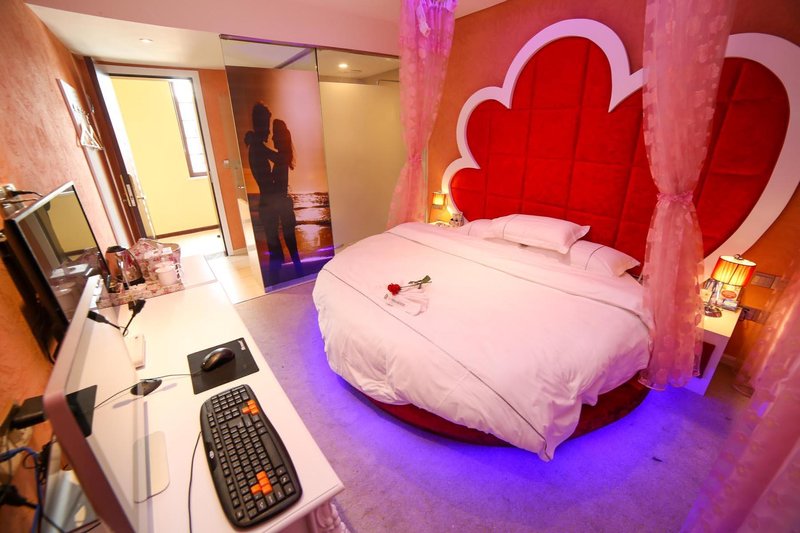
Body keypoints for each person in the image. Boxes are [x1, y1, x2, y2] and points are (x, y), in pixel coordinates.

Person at [262, 119, 303, 280]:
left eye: (274, 135)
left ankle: (297, 270)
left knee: (289, 240)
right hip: (284, 204)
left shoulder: (282, 157)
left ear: (279, 137)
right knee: (290, 239)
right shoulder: (282, 156)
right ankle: (298, 270)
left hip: (283, 204)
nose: (272, 138)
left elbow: (266, 152)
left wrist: (256, 143)